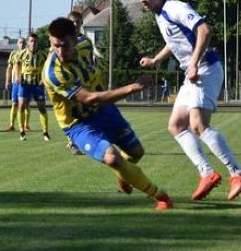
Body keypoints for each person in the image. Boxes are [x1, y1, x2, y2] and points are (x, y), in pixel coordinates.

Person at [136, 0, 241, 202]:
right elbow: (174, 41)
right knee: (176, 125)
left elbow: (204, 30)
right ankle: (207, 173)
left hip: (205, 68)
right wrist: (156, 60)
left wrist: (194, 63)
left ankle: (237, 173)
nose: (143, 0)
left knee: (198, 125)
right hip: (192, 72)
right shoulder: (161, 15)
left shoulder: (175, 7)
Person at [42, 17, 173, 210]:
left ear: (75, 38)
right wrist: (132, 88)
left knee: (137, 153)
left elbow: (94, 76)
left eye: (64, 45)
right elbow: (89, 98)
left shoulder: (86, 45)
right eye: (55, 46)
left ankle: (124, 174)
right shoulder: (53, 72)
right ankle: (159, 195)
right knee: (112, 158)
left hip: (104, 111)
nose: (59, 52)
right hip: (78, 123)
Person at [15, 33, 51, 142]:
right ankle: (22, 131)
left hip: (37, 84)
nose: (33, 43)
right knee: (21, 105)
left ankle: (45, 132)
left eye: (35, 41)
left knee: (41, 107)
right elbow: (17, 65)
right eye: (31, 41)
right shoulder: (21, 54)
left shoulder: (43, 54)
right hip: (25, 83)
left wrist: (44, 79)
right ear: (27, 42)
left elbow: (47, 66)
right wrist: (17, 77)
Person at [64, 11, 90, 155]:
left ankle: (80, 140)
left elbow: (90, 62)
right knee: (70, 112)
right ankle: (72, 142)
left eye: (78, 22)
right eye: (72, 22)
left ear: (81, 23)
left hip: (83, 83)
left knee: (85, 112)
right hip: (68, 83)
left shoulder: (86, 42)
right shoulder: (61, 42)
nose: (75, 24)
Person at [4, 37, 26, 131]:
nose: (22, 44)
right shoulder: (13, 54)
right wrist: (7, 81)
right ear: (17, 44)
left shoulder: (28, 54)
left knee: (23, 105)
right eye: (20, 42)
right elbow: (9, 68)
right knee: (14, 103)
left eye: (23, 43)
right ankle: (12, 125)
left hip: (25, 83)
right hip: (15, 83)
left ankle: (25, 125)